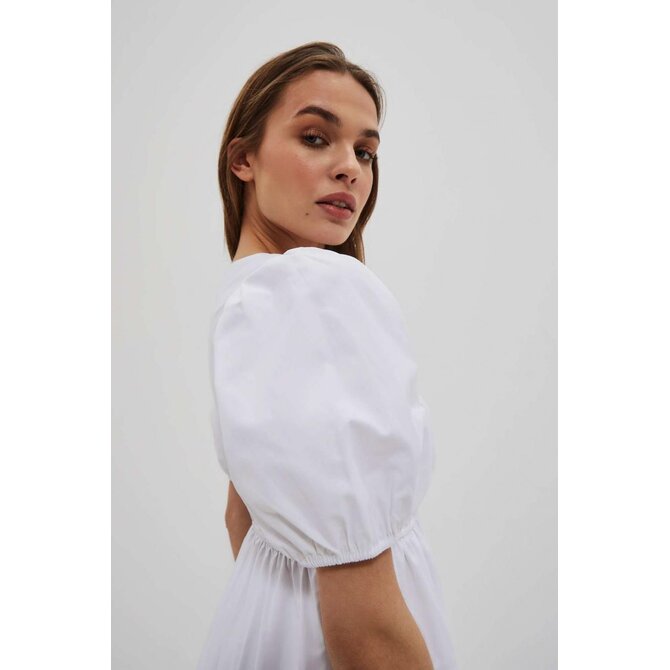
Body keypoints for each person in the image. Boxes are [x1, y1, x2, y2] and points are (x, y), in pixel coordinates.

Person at [197, 41, 458, 670]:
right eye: (316, 138)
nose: (350, 169)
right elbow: (368, 625)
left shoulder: (252, 296)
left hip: (266, 628)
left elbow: (239, 516)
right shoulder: (314, 289)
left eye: (365, 151)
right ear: (243, 159)